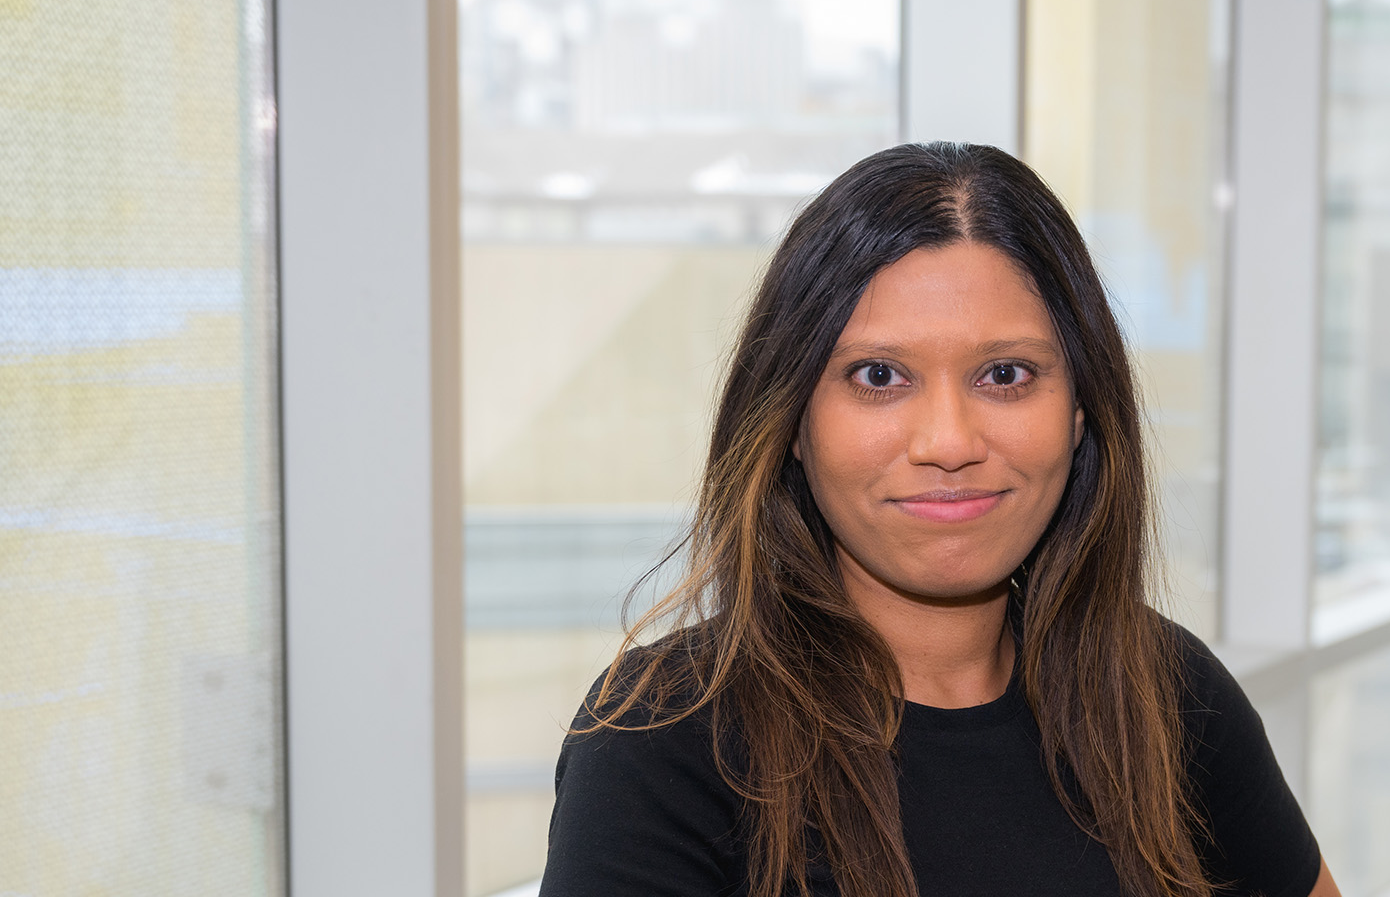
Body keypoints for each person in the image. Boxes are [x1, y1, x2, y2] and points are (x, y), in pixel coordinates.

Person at [540, 142, 1343, 897]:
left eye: (1005, 374)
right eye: (879, 375)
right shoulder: (661, 740)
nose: (950, 443)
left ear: (1079, 412)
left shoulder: (1168, 695)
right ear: (789, 421)